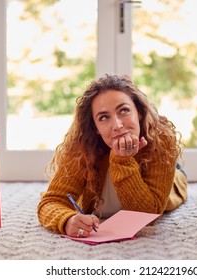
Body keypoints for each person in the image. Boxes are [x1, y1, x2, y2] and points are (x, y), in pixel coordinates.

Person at [37, 74, 187, 238]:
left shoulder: (160, 139)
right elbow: (51, 201)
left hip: (170, 178)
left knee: (176, 174)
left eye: (124, 110)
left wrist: (122, 161)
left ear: (139, 113)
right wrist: (67, 220)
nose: (118, 125)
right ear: (95, 127)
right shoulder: (82, 147)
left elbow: (146, 216)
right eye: (104, 117)